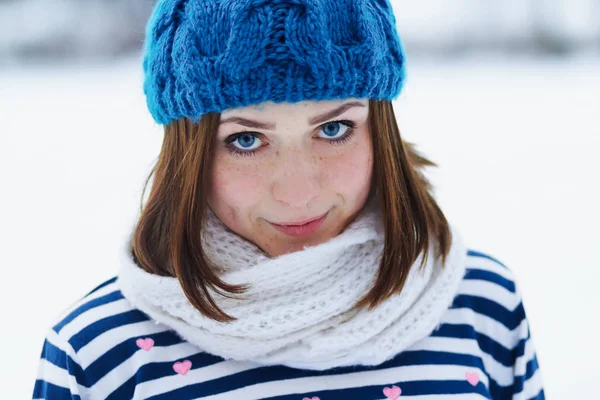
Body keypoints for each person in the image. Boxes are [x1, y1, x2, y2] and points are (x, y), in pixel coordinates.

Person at [32, 0, 544, 399]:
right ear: (186, 155)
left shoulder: (480, 304)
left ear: (380, 132)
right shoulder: (100, 351)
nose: (298, 192)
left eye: (335, 128)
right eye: (246, 140)